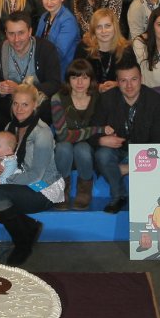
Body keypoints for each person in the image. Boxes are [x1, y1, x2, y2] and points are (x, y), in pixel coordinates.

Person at [0, 84, 62, 266]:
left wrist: (3, 182)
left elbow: (36, 175)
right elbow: (1, 159)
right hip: (15, 183)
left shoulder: (43, 132)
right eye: (16, 104)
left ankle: (22, 244)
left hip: (43, 186)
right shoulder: (10, 126)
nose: (19, 109)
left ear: (35, 105)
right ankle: (28, 226)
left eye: (25, 104)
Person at [93, 56, 160, 214]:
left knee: (156, 160)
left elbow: (159, 142)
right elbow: (91, 132)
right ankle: (119, 196)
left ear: (141, 79)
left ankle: (145, 199)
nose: (129, 86)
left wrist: (131, 167)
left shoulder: (155, 100)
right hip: (117, 150)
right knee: (102, 154)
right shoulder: (106, 99)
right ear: (117, 82)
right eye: (123, 81)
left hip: (144, 151)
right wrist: (101, 140)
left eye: (134, 79)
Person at [51, 60, 100, 210]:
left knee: (82, 148)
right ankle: (62, 190)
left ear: (91, 79)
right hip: (63, 150)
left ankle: (84, 190)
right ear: (68, 79)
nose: (79, 82)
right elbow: (62, 135)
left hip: (88, 150)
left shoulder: (98, 98)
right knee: (64, 147)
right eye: (74, 77)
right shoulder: (57, 98)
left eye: (84, 77)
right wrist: (96, 129)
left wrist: (96, 132)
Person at [35, 0, 81, 74]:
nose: (49, 2)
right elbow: (36, 43)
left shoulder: (68, 20)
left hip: (62, 72)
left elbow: (58, 54)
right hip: (44, 67)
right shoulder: (44, 16)